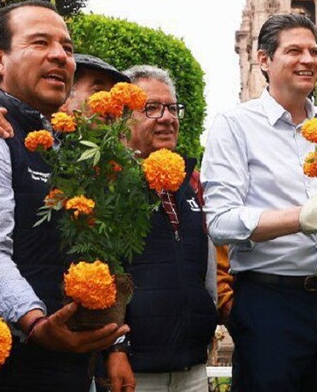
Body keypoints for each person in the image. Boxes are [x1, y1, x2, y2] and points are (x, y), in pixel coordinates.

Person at [201, 13, 317, 391]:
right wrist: (301, 217)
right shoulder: (234, 126)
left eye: (313, 51)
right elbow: (220, 220)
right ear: (264, 60)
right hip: (271, 302)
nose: (308, 60)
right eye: (294, 50)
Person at [0, 0, 128, 391]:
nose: (59, 56)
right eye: (40, 43)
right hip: (17, 366)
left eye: (67, 48)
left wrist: (114, 341)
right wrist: (35, 321)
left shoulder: (62, 142)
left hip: (71, 362)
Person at [103, 65, 217, 392]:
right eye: (151, 108)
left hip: (192, 366)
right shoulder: (107, 185)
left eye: (172, 107)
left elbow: (204, 273)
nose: (167, 117)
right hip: (133, 372)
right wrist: (115, 349)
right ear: (123, 118)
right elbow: (104, 276)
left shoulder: (189, 184)